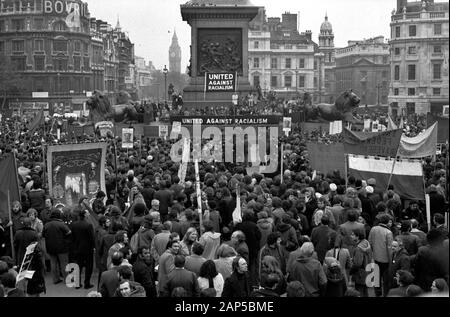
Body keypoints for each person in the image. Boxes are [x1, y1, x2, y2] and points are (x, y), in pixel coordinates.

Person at [43, 210, 71, 284]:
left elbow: (43, 235)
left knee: (53, 263)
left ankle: (55, 279)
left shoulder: (46, 224)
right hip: (62, 247)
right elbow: (69, 232)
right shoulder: (61, 224)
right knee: (64, 263)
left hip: (50, 247)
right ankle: (66, 279)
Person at [368, 214, 393, 297]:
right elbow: (389, 248)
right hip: (385, 259)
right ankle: (385, 294)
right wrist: (391, 260)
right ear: (387, 222)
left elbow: (370, 242)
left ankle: (377, 293)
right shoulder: (388, 232)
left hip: (375, 257)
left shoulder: (373, 229)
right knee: (386, 279)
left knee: (377, 277)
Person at [70, 209, 95, 289]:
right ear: (84, 215)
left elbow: (72, 237)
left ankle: (77, 283)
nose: (88, 214)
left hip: (77, 249)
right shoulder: (88, 225)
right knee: (89, 266)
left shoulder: (74, 225)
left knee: (78, 266)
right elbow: (91, 238)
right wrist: (94, 247)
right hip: (87, 249)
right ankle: (87, 283)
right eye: (87, 213)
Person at [350, 230, 372, 297]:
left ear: (358, 236)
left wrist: (351, 271)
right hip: (367, 271)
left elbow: (357, 264)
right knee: (365, 292)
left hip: (360, 274)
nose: (351, 236)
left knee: (359, 292)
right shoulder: (366, 243)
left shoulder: (358, 248)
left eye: (353, 235)